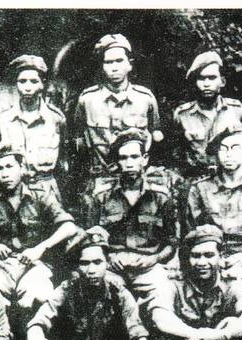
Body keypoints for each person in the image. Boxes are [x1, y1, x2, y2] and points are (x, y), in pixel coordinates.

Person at [26, 226, 155, 340]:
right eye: (85, 263)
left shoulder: (119, 293)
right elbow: (35, 327)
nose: (91, 269)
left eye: (97, 262)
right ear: (77, 266)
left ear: (107, 263)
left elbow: (139, 336)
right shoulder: (66, 289)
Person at [0, 144, 77, 327]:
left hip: (33, 265)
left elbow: (69, 227)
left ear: (22, 168)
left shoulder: (40, 196)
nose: (4, 174)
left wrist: (41, 248)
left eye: (10, 167)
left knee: (41, 293)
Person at [149, 225, 242, 340]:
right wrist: (197, 334)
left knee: (233, 324)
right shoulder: (173, 283)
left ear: (220, 257)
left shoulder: (231, 283)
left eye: (209, 255)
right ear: (186, 257)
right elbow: (160, 316)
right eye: (195, 256)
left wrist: (220, 335)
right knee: (169, 336)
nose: (202, 262)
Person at [79, 129, 178, 298]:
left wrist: (155, 258)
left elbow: (171, 242)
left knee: (165, 292)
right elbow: (90, 239)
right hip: (112, 267)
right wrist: (108, 256)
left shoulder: (161, 197)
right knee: (104, 295)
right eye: (123, 158)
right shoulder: (101, 196)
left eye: (134, 157)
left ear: (144, 159)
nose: (129, 163)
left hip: (148, 267)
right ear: (117, 162)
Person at [72, 34, 162, 194]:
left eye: (119, 61)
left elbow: (154, 136)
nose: (114, 67)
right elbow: (80, 142)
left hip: (136, 181)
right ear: (101, 66)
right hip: (100, 180)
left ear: (130, 64)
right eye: (108, 62)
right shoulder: (87, 100)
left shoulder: (145, 99)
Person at [0, 54, 66, 200]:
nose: (27, 87)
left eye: (33, 81)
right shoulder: (2, 120)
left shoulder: (56, 119)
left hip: (47, 193)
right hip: (13, 194)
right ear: (16, 84)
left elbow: (64, 163)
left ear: (42, 84)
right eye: (22, 81)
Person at [174, 51, 242, 180]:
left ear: (222, 81)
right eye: (201, 78)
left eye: (212, 78)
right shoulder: (182, 114)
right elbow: (176, 156)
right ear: (195, 82)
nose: (206, 84)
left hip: (230, 180)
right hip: (197, 181)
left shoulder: (237, 110)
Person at [186, 127, 242, 279]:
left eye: (235, 149)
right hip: (209, 258)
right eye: (223, 149)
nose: (228, 154)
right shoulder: (200, 188)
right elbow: (192, 231)